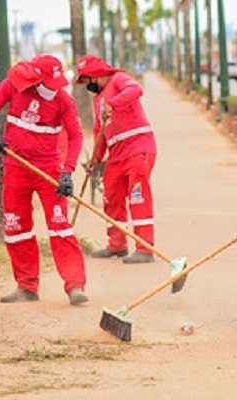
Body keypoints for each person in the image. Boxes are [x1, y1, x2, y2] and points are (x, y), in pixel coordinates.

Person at [0, 55, 89, 306]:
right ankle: (26, 286)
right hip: (15, 167)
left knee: (60, 227)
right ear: (36, 78)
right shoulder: (13, 85)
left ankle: (75, 286)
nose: (54, 89)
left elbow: (75, 137)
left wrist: (67, 172)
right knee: (16, 227)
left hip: (48, 170)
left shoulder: (64, 100)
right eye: (49, 83)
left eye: (57, 83)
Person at [75, 55, 157, 264]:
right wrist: (96, 157)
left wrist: (113, 103)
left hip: (138, 149)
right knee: (111, 197)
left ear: (95, 75)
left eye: (86, 80)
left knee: (138, 197)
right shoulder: (97, 100)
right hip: (117, 154)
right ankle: (117, 244)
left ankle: (144, 248)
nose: (87, 86)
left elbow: (136, 90)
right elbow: (99, 130)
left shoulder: (119, 79)